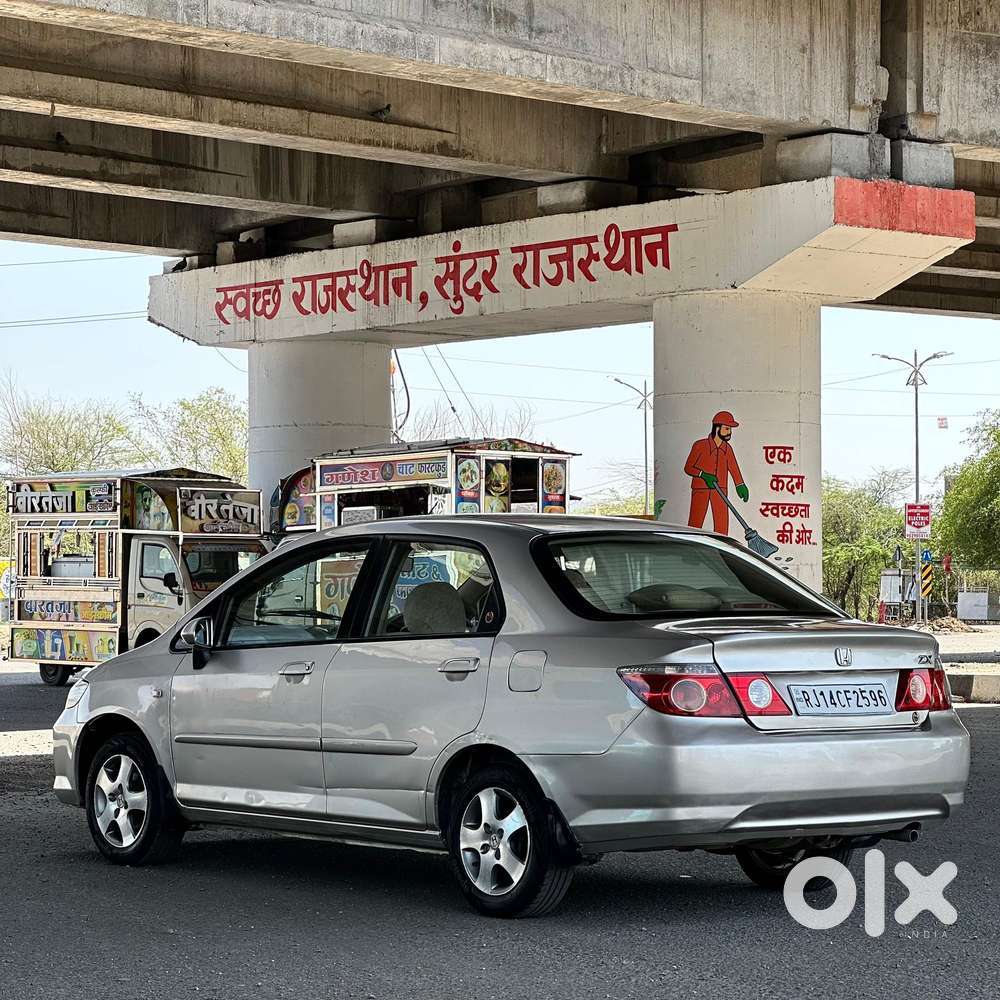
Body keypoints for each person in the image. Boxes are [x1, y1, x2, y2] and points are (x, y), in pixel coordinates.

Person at [683, 410, 749, 534]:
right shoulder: (700, 445)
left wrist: (740, 485)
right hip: (700, 489)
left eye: (730, 429)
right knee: (694, 525)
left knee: (722, 525)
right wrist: (703, 475)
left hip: (720, 489)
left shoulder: (727, 449)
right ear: (717, 428)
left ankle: (722, 552)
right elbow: (688, 467)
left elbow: (734, 469)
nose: (729, 432)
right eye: (727, 428)